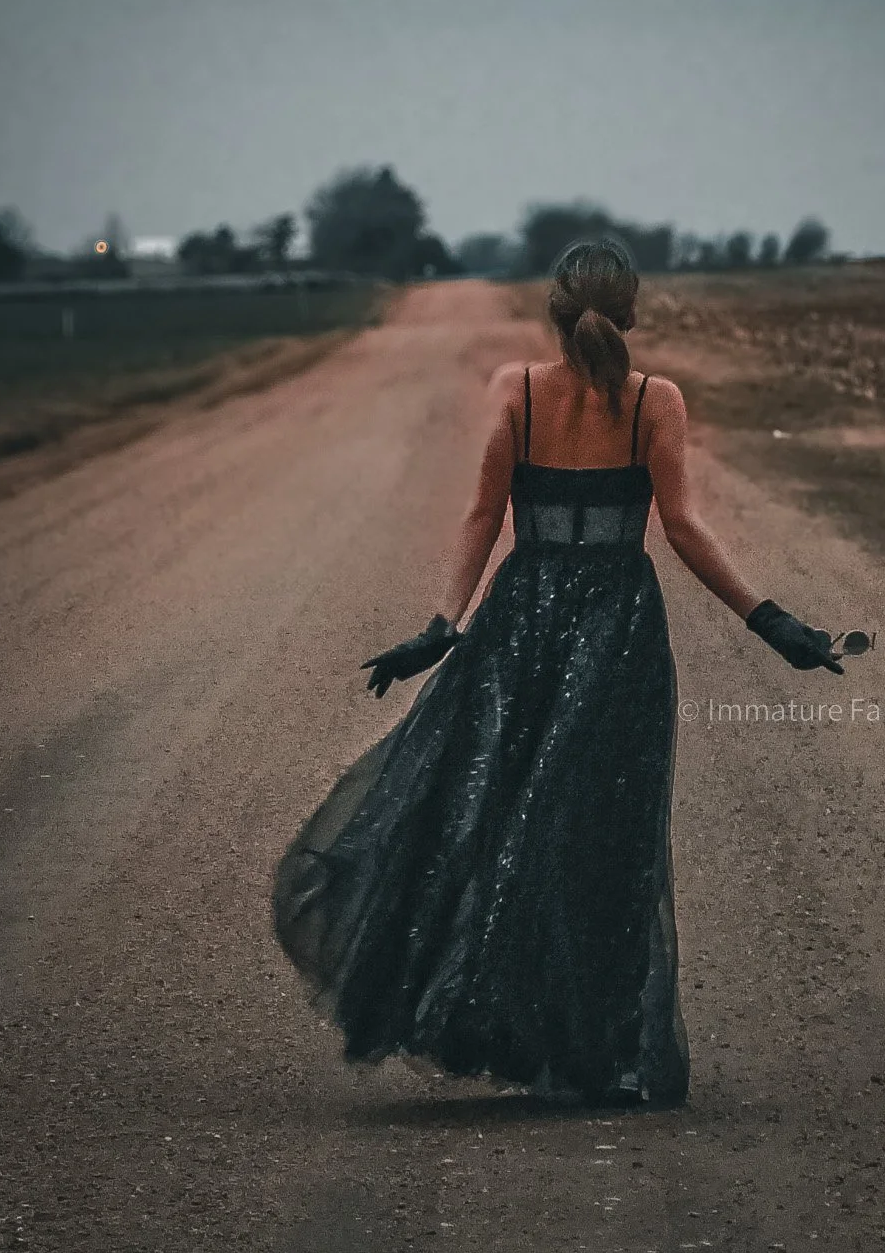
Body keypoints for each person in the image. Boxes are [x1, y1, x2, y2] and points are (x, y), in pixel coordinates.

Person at [272, 237, 843, 1108]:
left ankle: (507, 1024)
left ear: (555, 311)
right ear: (634, 312)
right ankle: (601, 1051)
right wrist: (773, 623)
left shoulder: (519, 392)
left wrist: (443, 626)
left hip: (522, 621)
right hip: (618, 628)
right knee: (602, 832)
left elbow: (482, 515)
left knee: (501, 815)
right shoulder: (657, 400)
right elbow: (683, 528)